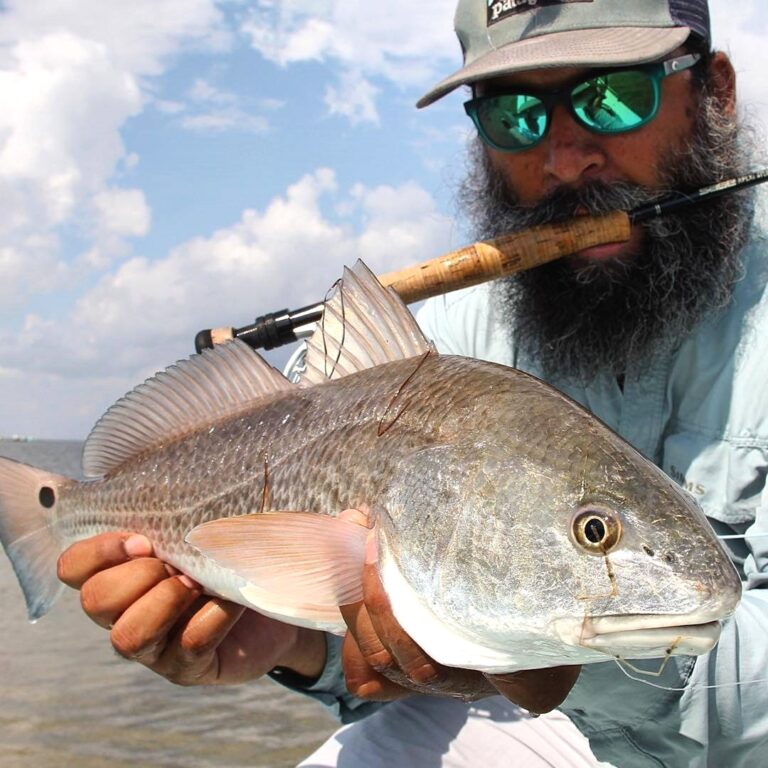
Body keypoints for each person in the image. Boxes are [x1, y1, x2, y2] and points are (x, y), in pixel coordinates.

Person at [57, 0, 768, 765]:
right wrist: (296, 640)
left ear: (715, 91)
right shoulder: (450, 335)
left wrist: (551, 664)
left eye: (613, 96)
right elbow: (407, 639)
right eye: (515, 114)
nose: (565, 156)